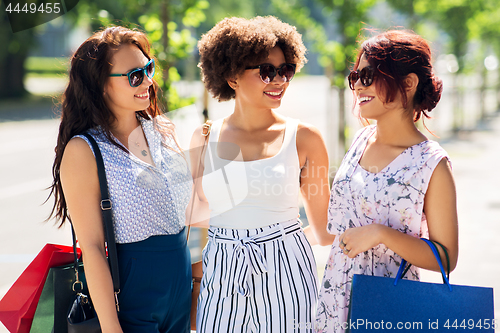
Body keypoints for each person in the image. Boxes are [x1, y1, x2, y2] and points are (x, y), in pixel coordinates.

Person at [189, 16, 335, 332]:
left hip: (287, 269)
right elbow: (195, 221)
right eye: (267, 71)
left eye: (286, 71)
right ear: (231, 77)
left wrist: (282, 241)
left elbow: (324, 231)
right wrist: (196, 281)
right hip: (221, 271)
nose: (279, 80)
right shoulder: (203, 137)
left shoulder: (305, 138)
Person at [47, 26, 192, 332]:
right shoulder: (84, 149)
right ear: (100, 85)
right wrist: (112, 329)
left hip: (180, 291)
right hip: (130, 297)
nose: (148, 81)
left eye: (148, 68)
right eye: (135, 75)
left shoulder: (162, 130)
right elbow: (93, 247)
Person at [314, 30, 459, 332]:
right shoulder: (360, 139)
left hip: (390, 305)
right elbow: (340, 222)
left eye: (369, 76)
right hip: (335, 296)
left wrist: (381, 234)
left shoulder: (432, 163)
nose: (357, 86)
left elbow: (446, 258)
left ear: (408, 83)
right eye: (356, 76)